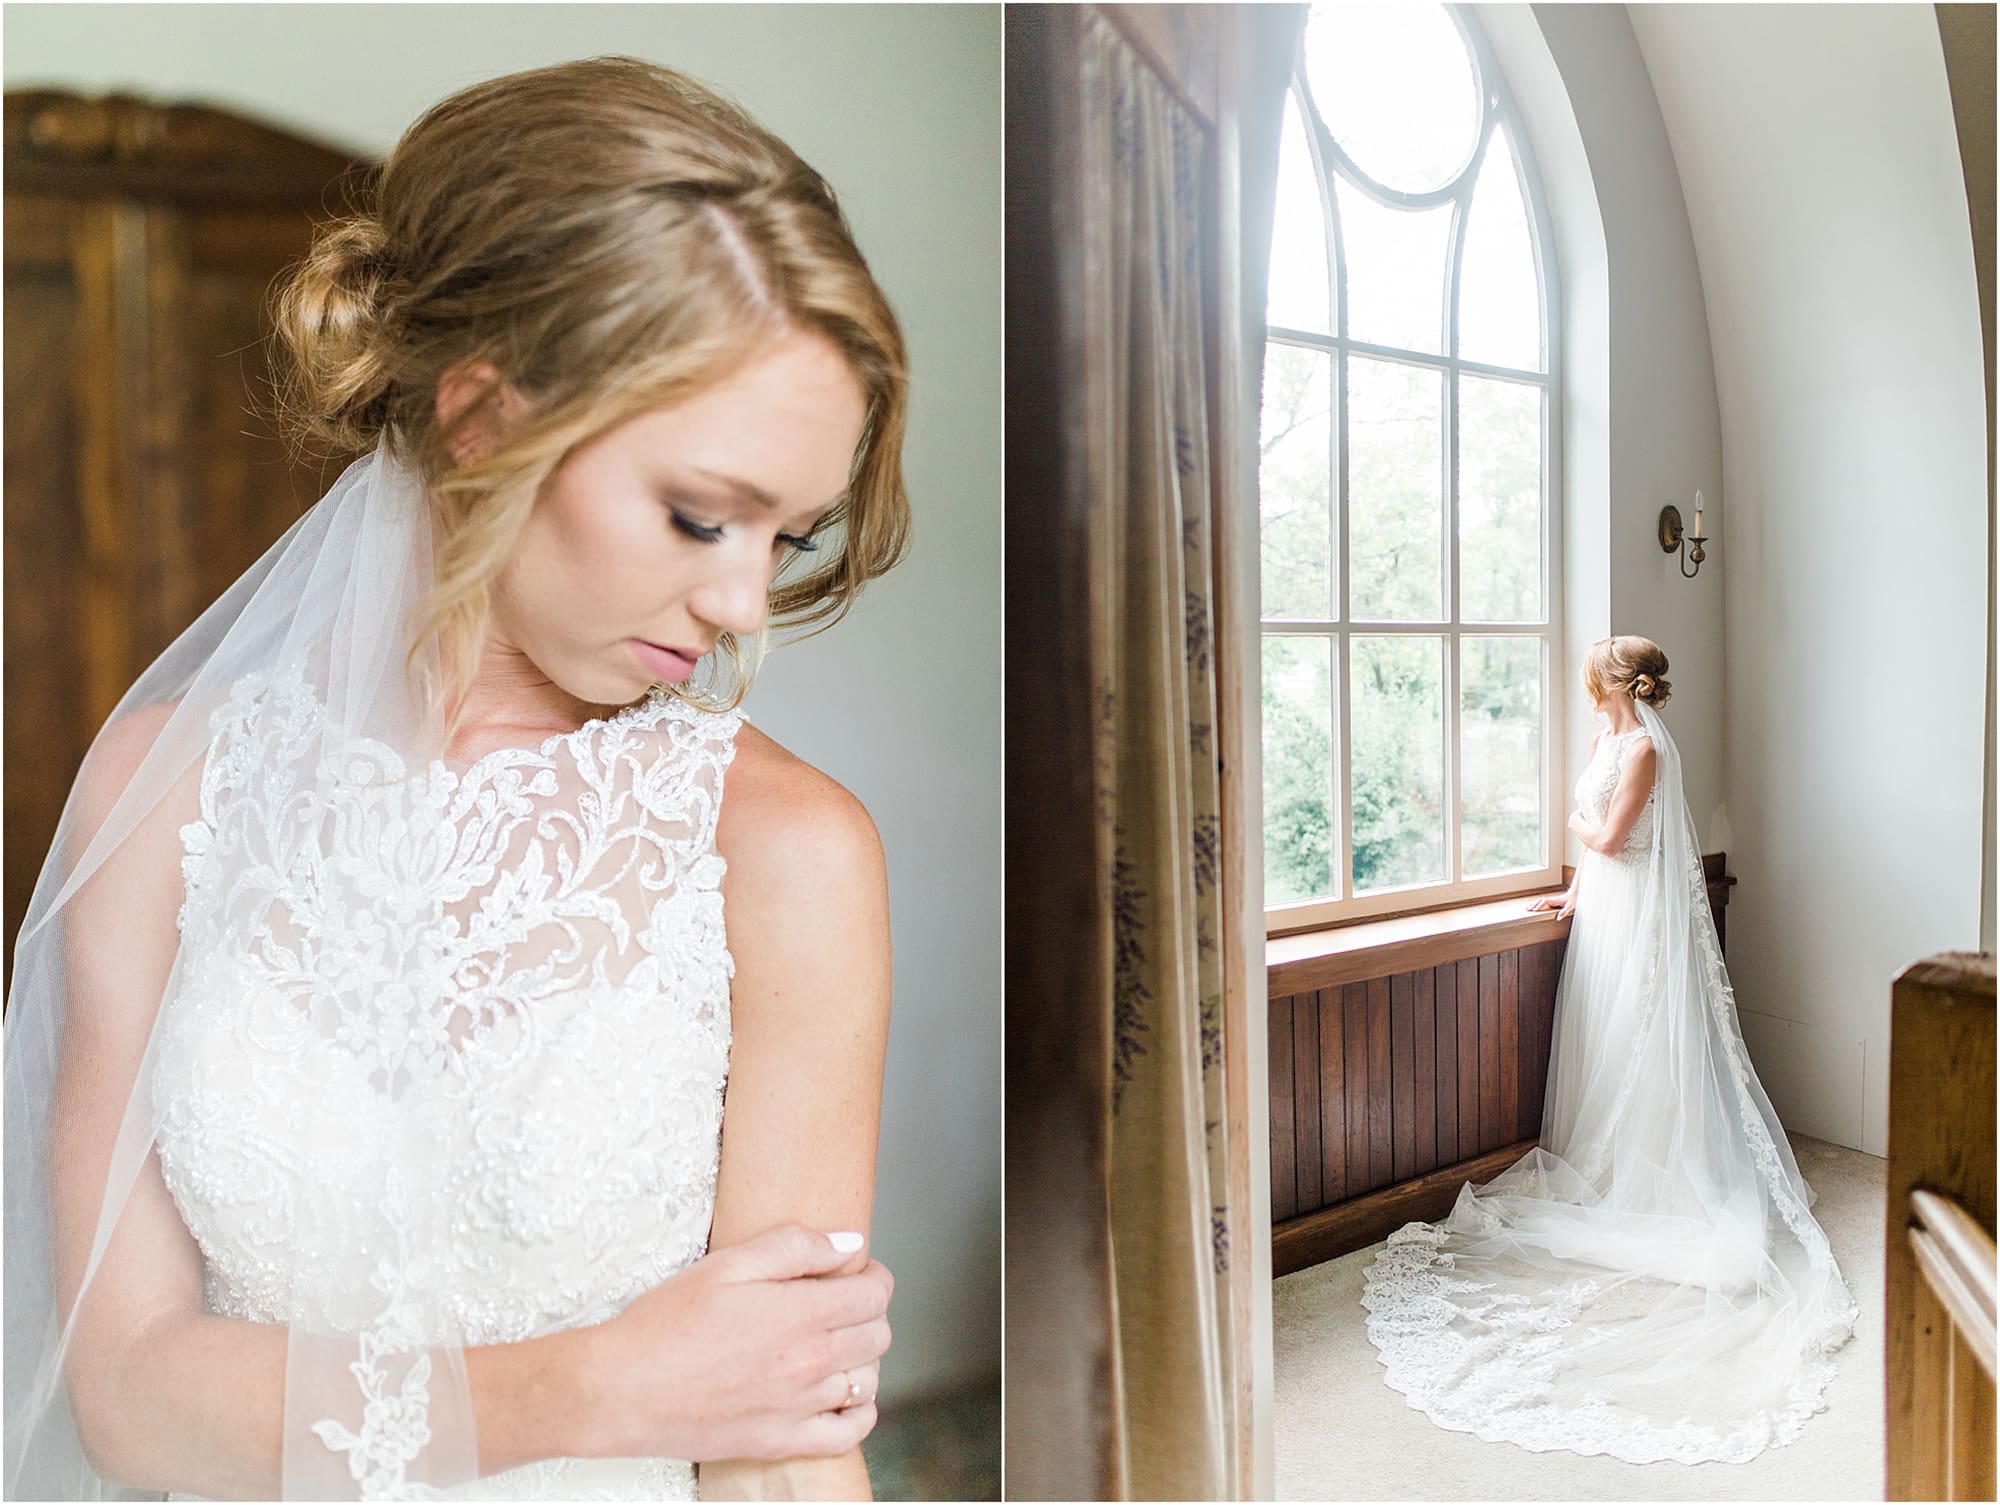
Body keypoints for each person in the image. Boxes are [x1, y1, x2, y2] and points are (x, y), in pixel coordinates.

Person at [4, 55, 911, 1502]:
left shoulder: (785, 849)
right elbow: (125, 1395)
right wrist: (601, 1382)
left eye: (787, 536)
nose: (745, 602)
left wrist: (702, 1400)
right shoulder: (160, 790)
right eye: (699, 516)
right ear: (481, 416)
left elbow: (781, 1446)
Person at [1360, 635, 1860, 1464]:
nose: (1584, 684)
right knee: (1603, 1031)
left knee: (1642, 1034)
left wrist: (1571, 829)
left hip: (1639, 914)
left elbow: (1612, 835)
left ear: (1614, 683)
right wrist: (1571, 892)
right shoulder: (1605, 738)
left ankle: (1654, 1170)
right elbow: (1600, 858)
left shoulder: (1646, 752)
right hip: (1605, 908)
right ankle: (1609, 1161)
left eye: (1592, 675)